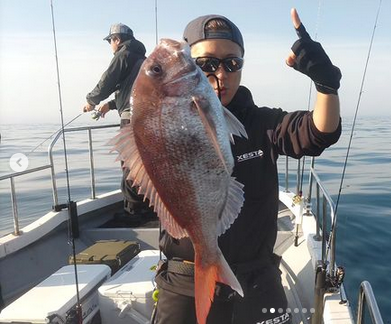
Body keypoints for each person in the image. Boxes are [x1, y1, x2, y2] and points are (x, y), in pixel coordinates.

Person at [153, 9, 342, 324]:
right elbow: (138, 185)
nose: (221, 74)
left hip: (256, 281)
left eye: (232, 63)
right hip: (187, 279)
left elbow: (318, 132)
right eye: (206, 64)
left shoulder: (260, 123)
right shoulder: (169, 124)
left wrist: (327, 85)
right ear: (186, 68)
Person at [82, 23, 149, 216]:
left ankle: (134, 210)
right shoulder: (141, 58)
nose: (111, 45)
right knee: (144, 164)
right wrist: (110, 105)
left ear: (117, 40)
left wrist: (91, 101)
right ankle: (147, 205)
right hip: (146, 119)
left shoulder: (124, 54)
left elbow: (107, 82)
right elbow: (131, 89)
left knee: (129, 163)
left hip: (131, 121)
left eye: (110, 41)